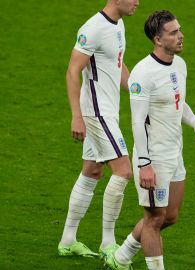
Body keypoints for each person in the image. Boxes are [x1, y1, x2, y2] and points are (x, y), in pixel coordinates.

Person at [104, 10, 195, 270]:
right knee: (153, 220)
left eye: (179, 30)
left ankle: (120, 258)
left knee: (169, 216)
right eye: (173, 33)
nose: (180, 36)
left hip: (176, 153)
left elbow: (177, 102)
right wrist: (144, 163)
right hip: (154, 157)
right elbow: (137, 122)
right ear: (158, 40)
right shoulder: (143, 73)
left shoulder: (179, 65)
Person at [57, 0, 139, 259]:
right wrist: (76, 116)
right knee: (124, 171)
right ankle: (108, 244)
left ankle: (68, 240)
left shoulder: (119, 24)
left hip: (107, 110)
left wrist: (139, 91)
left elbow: (117, 64)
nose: (138, 1)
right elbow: (72, 71)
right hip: (96, 112)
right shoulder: (93, 28)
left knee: (92, 170)